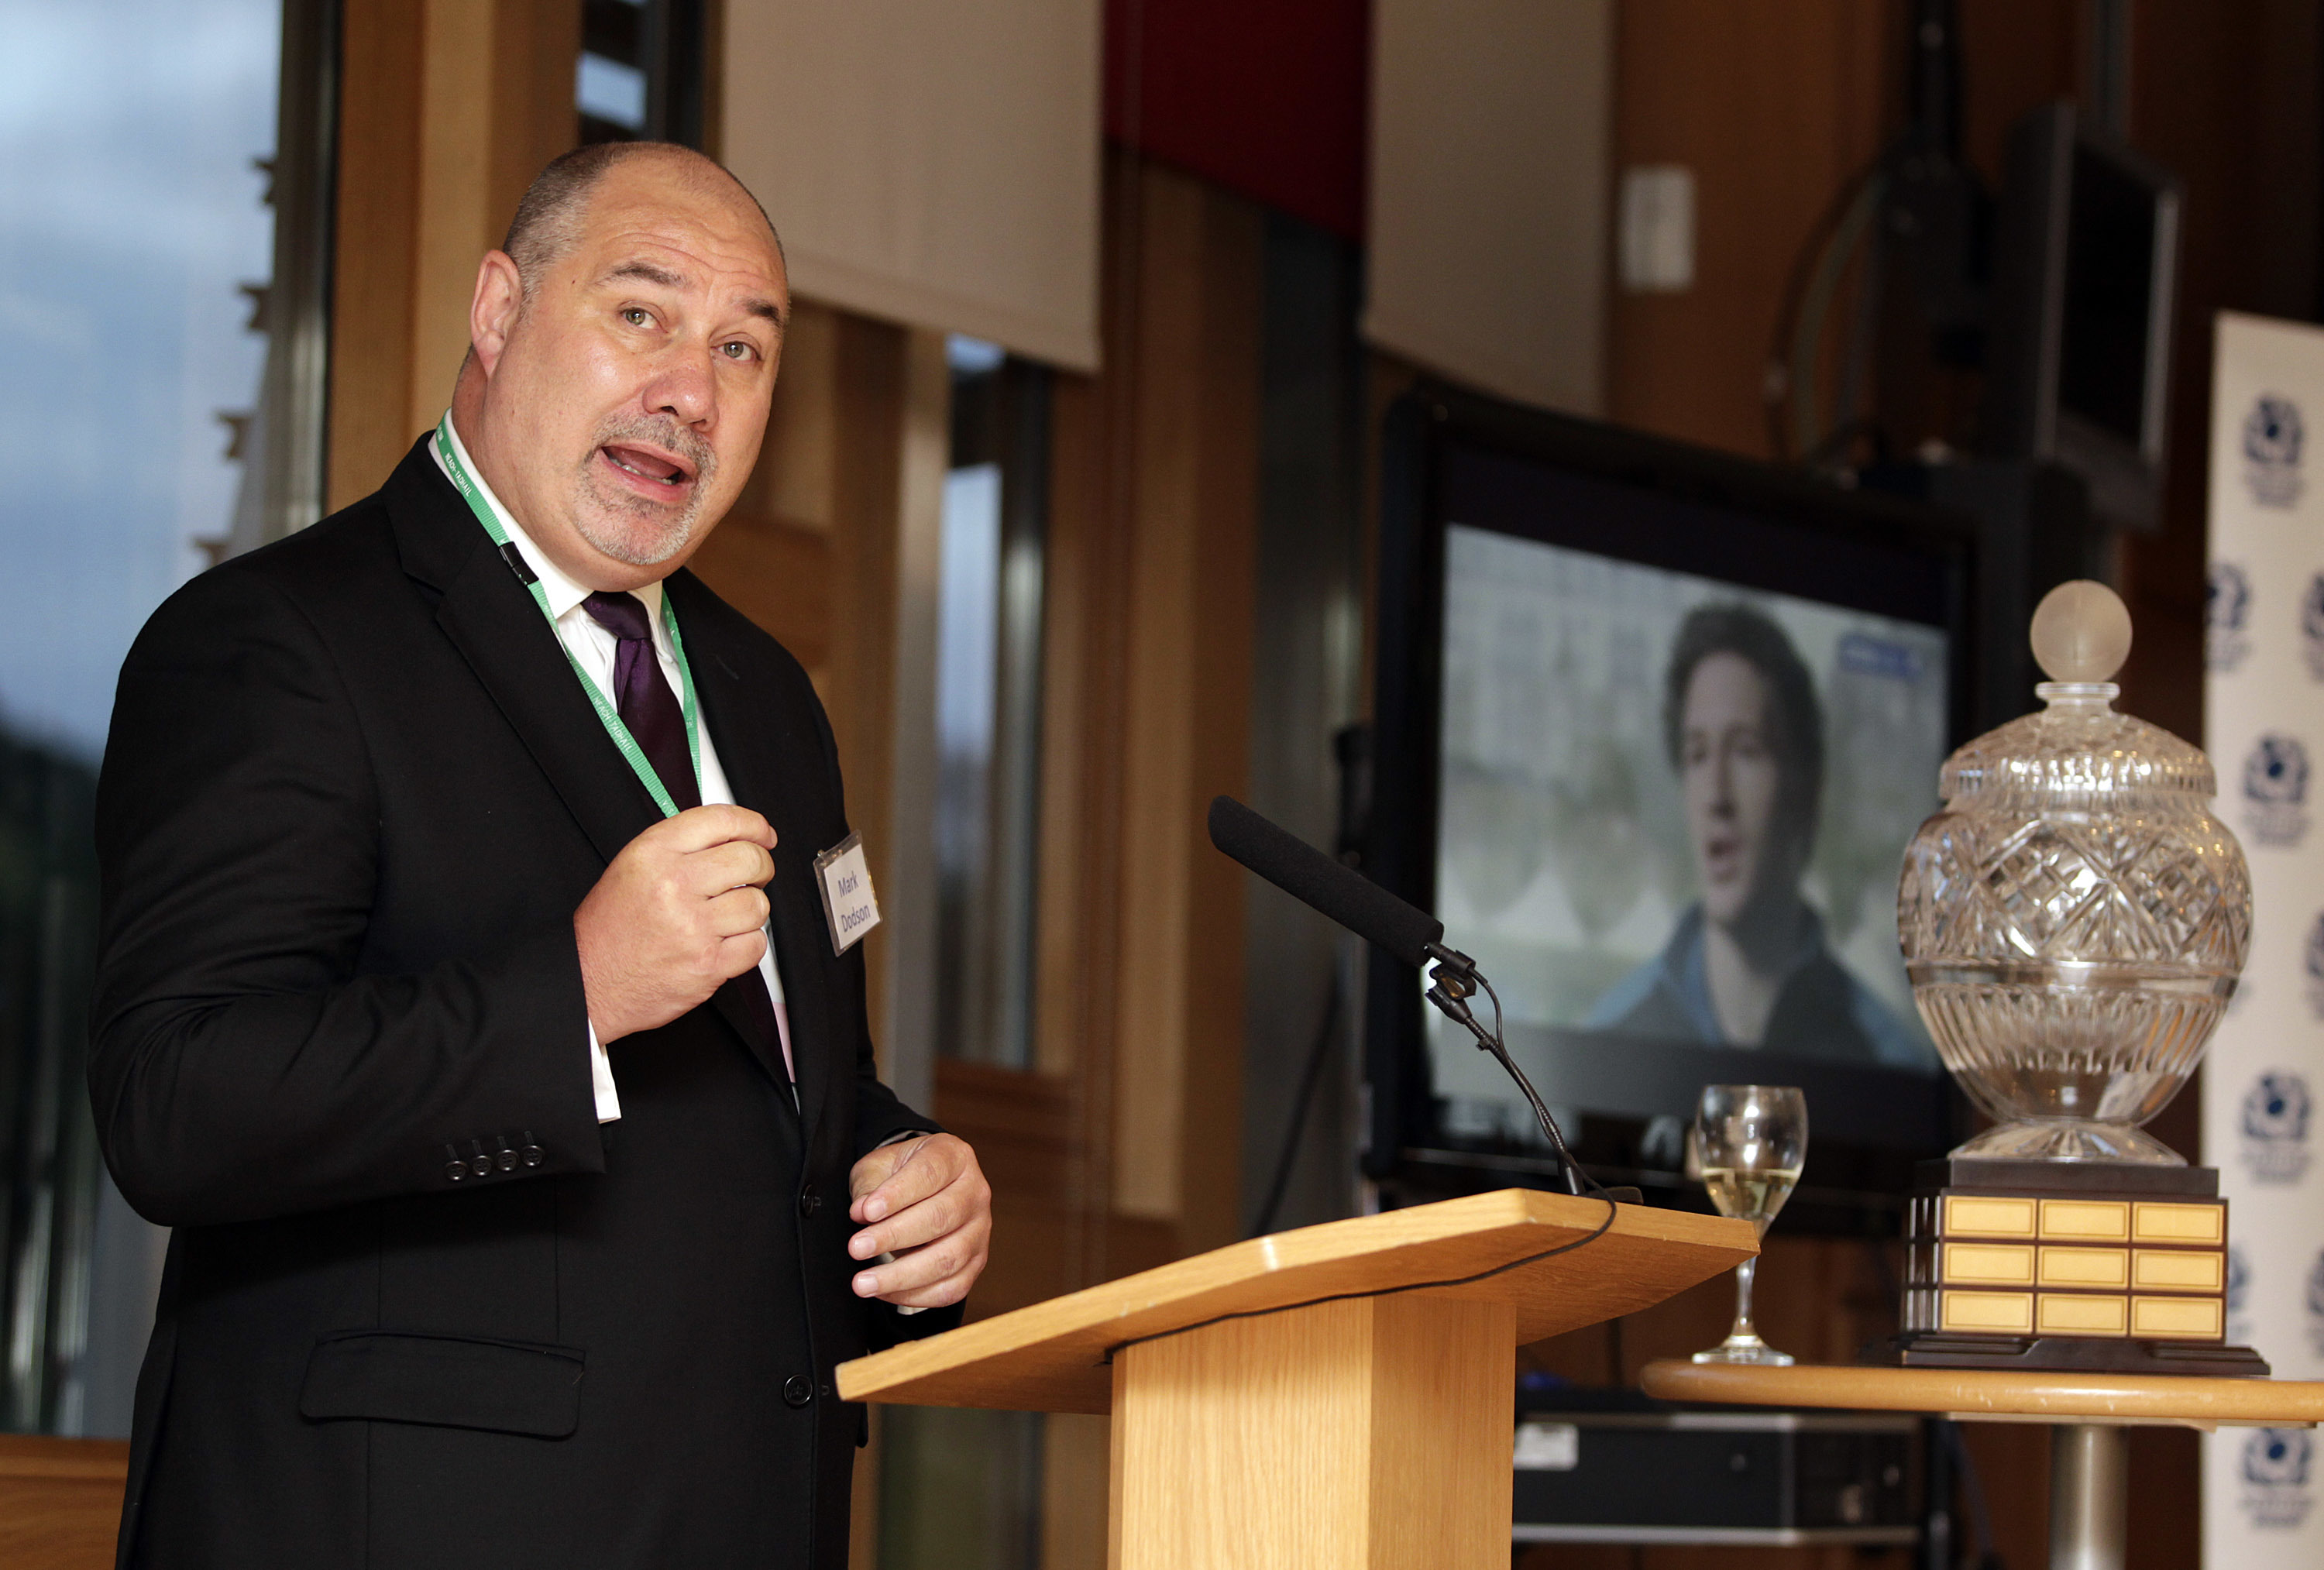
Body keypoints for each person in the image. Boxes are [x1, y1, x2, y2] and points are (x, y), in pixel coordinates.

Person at [90, 140, 989, 1568]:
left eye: (743, 348)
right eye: (642, 314)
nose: (691, 388)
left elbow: (782, 1088)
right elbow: (177, 1098)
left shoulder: (766, 697)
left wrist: (899, 1171)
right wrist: (571, 995)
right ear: (498, 312)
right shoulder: (281, 638)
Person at [1584, 602, 1925, 1067]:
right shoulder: (1606, 1039)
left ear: (1805, 787)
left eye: (1746, 751)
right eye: (1698, 755)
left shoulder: (1888, 1060)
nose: (1716, 797)